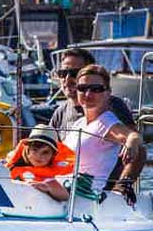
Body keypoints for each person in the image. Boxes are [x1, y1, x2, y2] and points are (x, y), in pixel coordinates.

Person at [58, 63, 145, 204]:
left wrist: (131, 142)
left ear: (108, 92)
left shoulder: (106, 121)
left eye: (96, 89)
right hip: (63, 189)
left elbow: (132, 136)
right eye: (82, 88)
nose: (88, 94)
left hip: (84, 196)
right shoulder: (79, 123)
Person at [6, 125, 77, 202]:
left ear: (53, 156)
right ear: (28, 150)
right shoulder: (9, 165)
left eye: (45, 152)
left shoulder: (49, 176)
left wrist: (48, 188)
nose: (39, 156)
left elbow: (65, 195)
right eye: (35, 150)